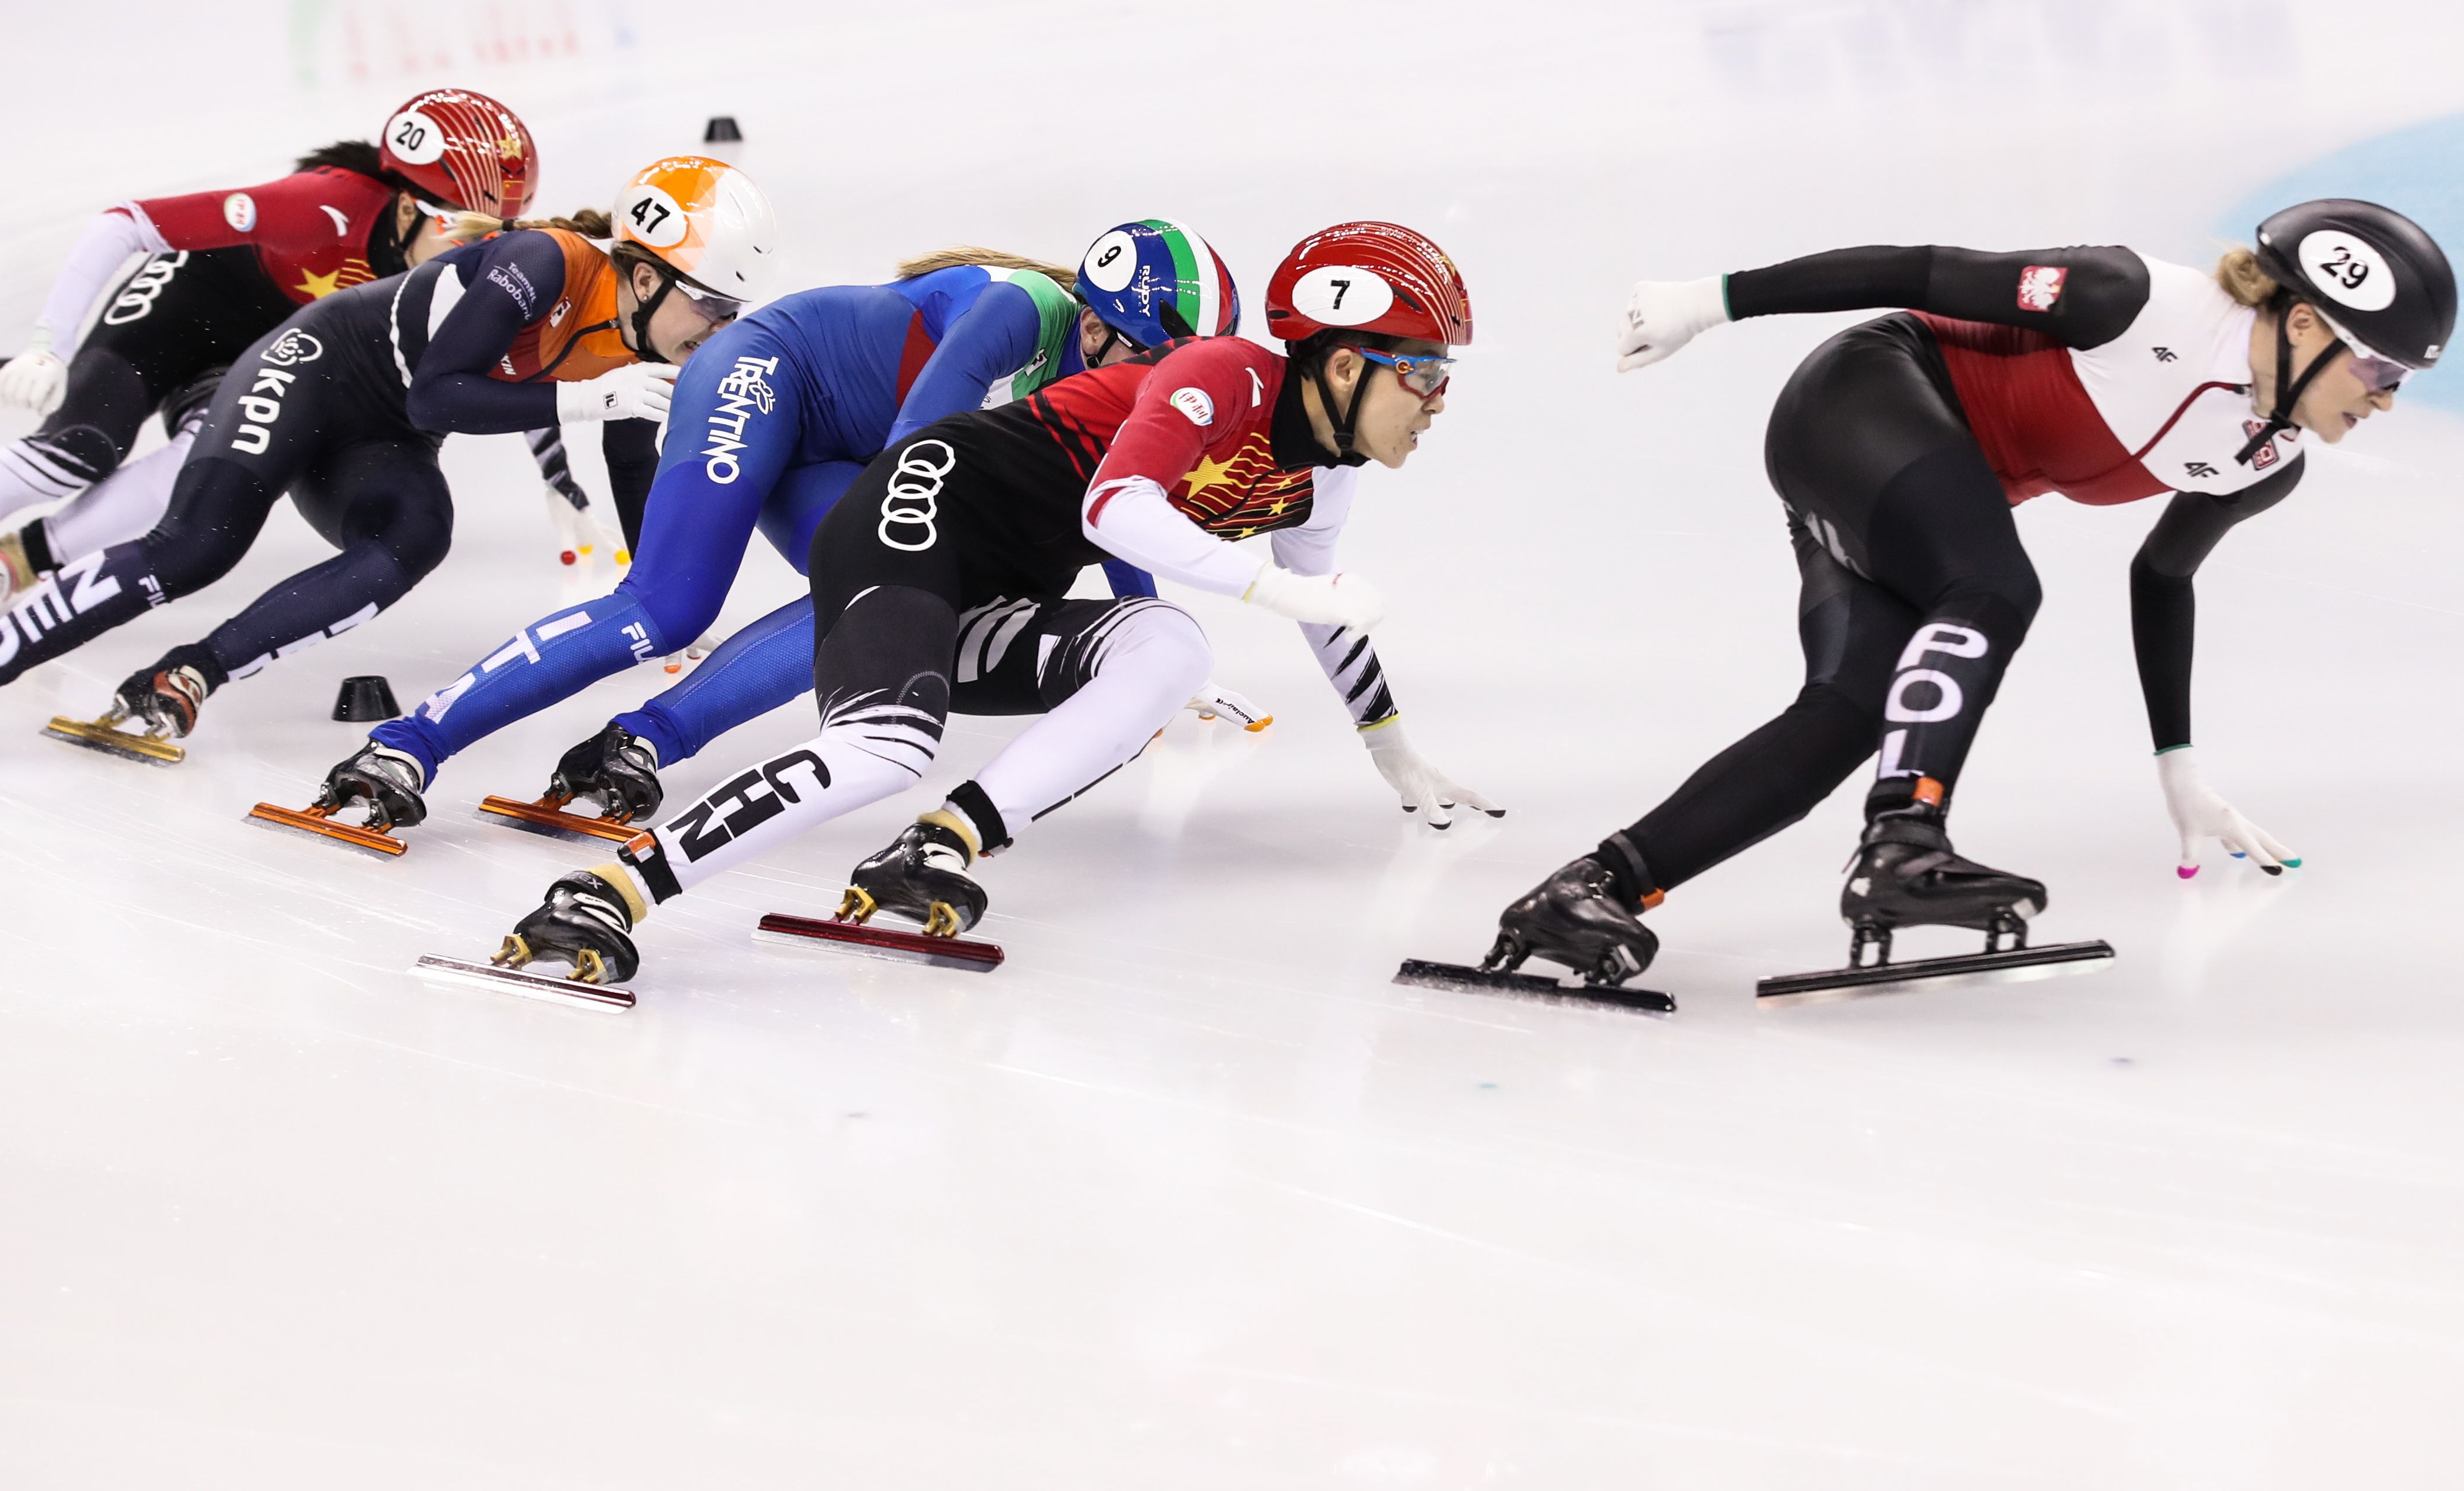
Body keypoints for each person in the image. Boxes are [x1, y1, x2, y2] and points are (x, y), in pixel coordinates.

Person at [491, 220, 1497, 989]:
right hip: (910, 513)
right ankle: (611, 890)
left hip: (999, 579)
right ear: (1340, 361)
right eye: (1422, 372)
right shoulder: (1218, 374)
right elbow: (1117, 504)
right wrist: (1270, 584)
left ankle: (939, 844)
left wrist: (1390, 750)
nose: (1438, 400)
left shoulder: (1325, 472)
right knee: (884, 745)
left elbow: (1324, 612)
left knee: (1168, 650)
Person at [1484, 199, 2456, 990]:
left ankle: (1593, 886)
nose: (2381, 398)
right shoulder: (2130, 296)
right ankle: (1904, 838)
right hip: (1861, 397)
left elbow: (2161, 575)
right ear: (2298, 322)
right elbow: (1923, 267)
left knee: (1848, 710)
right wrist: (1715, 298)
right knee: (1992, 584)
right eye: (2375, 367)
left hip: (1900, 490)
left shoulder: (2262, 461)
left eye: (2401, 381)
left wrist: (2177, 763)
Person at [312, 219, 1244, 835]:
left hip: (845, 444)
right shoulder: (1019, 309)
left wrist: (1135, 646)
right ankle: (409, 743)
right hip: (768, 374)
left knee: (872, 604)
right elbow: (925, 435)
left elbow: (1116, 510)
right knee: (667, 608)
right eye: (1155, 365)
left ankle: (639, 740)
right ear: (1097, 330)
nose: (1160, 392)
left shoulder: (1107, 373)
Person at [0, 153, 767, 758]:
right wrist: (584, 396)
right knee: (195, 546)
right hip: (311, 371)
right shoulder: (540, 261)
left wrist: (663, 594)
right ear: (643, 273)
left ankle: (188, 672)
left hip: (379, 435)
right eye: (710, 307)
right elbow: (436, 391)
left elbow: (632, 471)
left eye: (730, 314)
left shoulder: (644, 342)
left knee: (413, 535)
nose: (717, 330)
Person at [0, 89, 535, 652]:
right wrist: (48, 344)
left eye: (494, 232)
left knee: (203, 465)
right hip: (178, 306)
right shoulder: (320, 204)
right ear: (403, 203)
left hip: (262, 349)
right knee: (73, 451)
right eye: (458, 226)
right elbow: (127, 223)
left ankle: (20, 560)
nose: (476, 248)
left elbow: (515, 360)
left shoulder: (463, 267)